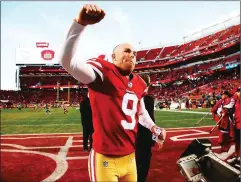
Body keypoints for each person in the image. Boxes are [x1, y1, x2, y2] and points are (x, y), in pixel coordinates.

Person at [59, 4, 166, 182]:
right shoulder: (103, 73)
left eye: (134, 53)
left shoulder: (139, 82)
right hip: (105, 159)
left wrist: (153, 127)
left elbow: (140, 112)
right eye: (126, 51)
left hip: (130, 157)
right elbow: (67, 62)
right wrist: (79, 24)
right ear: (113, 57)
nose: (132, 54)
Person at [135, 74, 156, 182]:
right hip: (144, 134)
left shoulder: (134, 96)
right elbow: (151, 119)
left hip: (133, 134)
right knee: (143, 162)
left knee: (134, 160)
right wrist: (155, 137)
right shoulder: (148, 99)